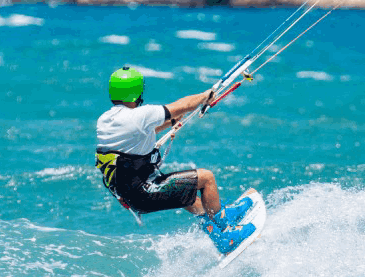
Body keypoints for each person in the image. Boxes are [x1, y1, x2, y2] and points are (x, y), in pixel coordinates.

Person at [95, 66, 254, 255]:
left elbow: (143, 133)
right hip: (144, 191)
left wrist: (172, 122)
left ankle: (216, 219)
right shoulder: (140, 115)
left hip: (132, 192)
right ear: (137, 91)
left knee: (186, 195)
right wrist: (205, 96)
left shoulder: (106, 119)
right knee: (206, 178)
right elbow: (182, 105)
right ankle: (226, 234)